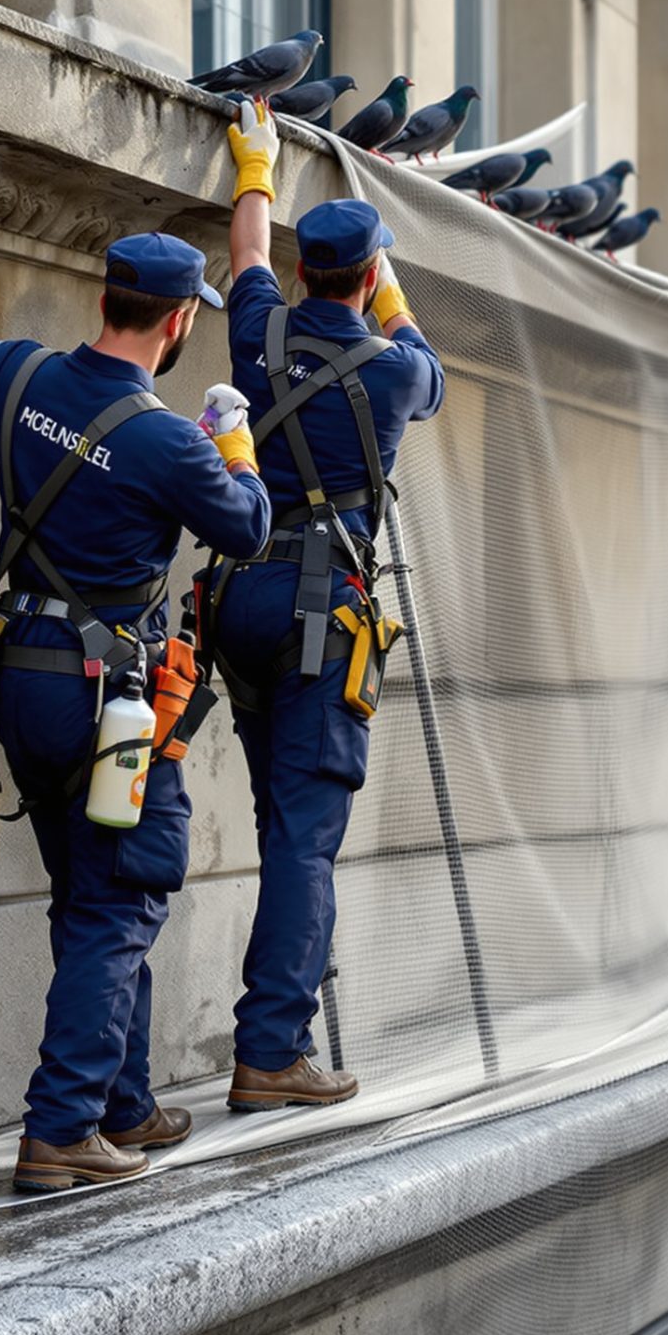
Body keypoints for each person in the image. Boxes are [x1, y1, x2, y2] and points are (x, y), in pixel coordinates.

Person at [0, 239, 271, 1191]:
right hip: (109, 705)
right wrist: (234, 440)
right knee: (123, 896)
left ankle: (124, 1103)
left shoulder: (24, 376)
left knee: (87, 893)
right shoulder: (170, 441)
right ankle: (61, 1126)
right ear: (179, 323)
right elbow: (246, 526)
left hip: (22, 689)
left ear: (106, 298)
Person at [208, 98, 445, 1109]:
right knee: (305, 834)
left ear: (308, 275)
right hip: (322, 614)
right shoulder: (393, 376)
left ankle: (280, 1022)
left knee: (278, 818)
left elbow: (247, 247)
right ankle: (271, 1051)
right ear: (368, 276)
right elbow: (422, 355)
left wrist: (254, 161)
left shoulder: (258, 335)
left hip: (239, 598)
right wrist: (385, 285)